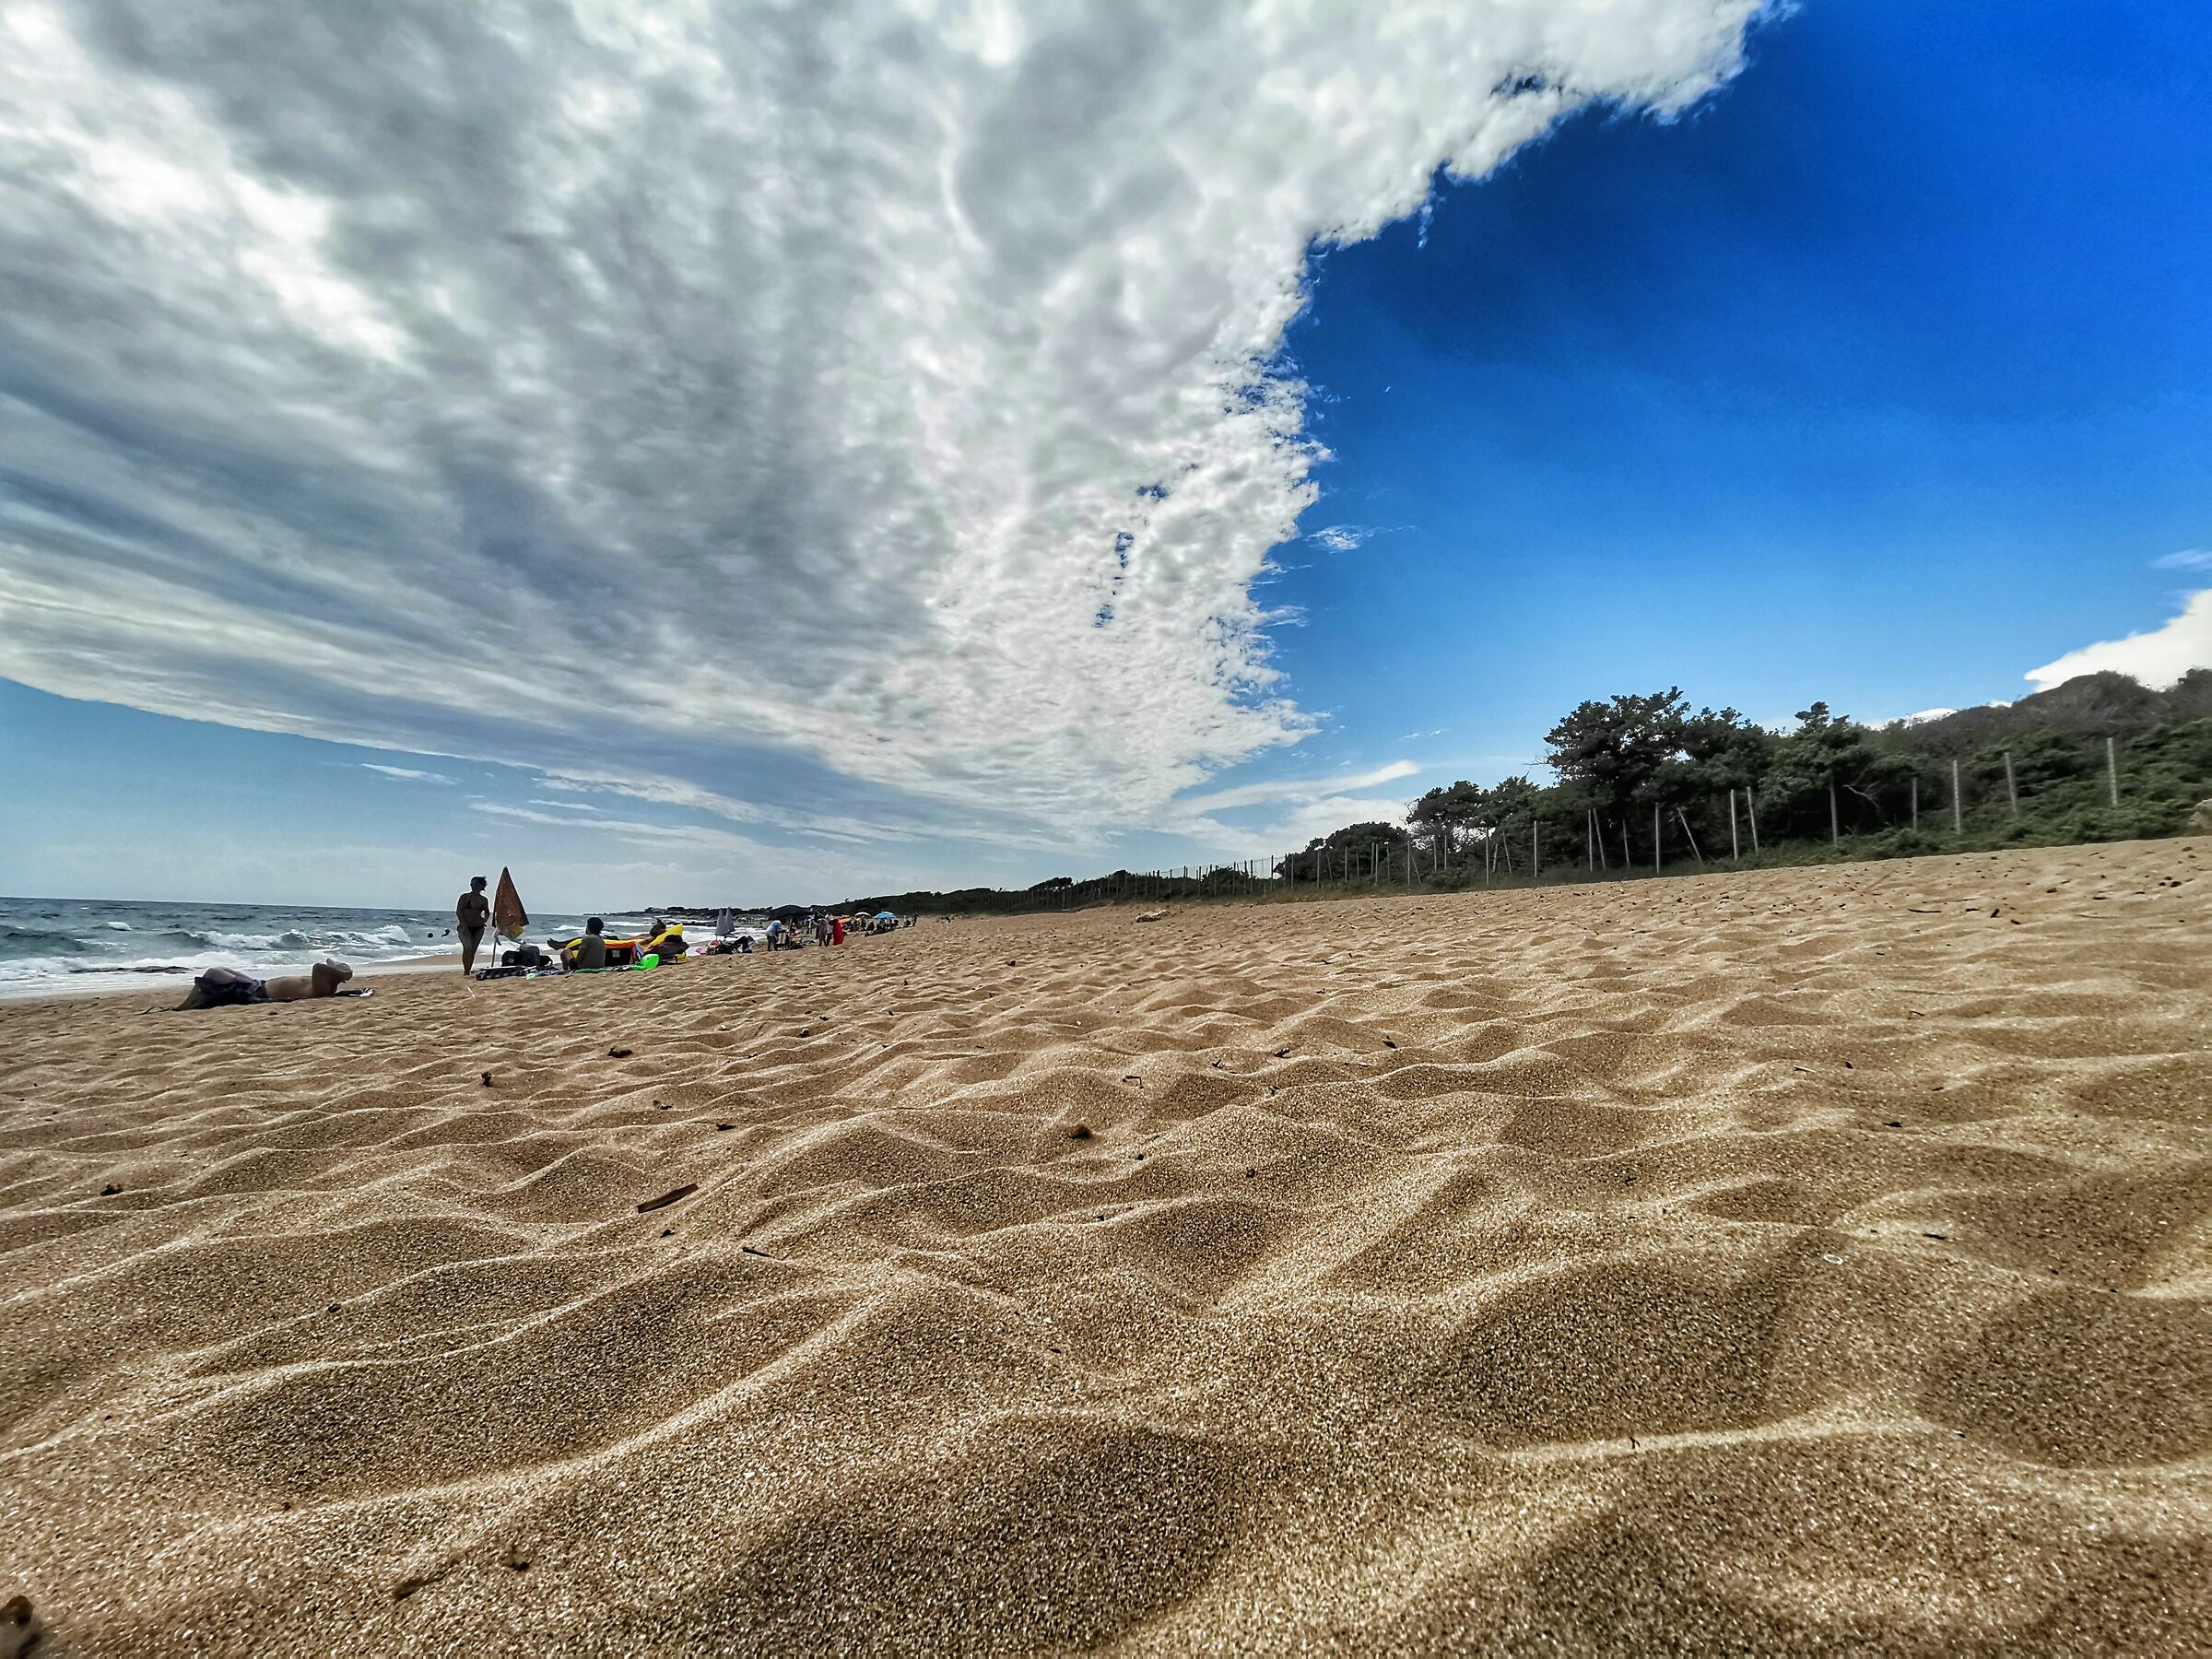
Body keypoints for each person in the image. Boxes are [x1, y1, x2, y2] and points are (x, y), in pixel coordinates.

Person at [178, 959, 352, 1009]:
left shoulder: (324, 988)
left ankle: (186, 1005)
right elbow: (320, 968)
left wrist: (338, 972)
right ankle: (190, 1002)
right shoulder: (325, 985)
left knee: (212, 973)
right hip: (259, 984)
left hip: (258, 991)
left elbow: (317, 967)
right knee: (221, 969)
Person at [456, 876, 491, 975]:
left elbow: (487, 912)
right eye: (471, 884)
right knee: (467, 947)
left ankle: (468, 970)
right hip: (464, 926)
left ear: (481, 886)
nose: (473, 886)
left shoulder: (483, 900)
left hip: (478, 927)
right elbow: (459, 912)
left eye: (475, 884)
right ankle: (466, 970)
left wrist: (484, 920)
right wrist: (465, 926)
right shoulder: (465, 897)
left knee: (472, 950)